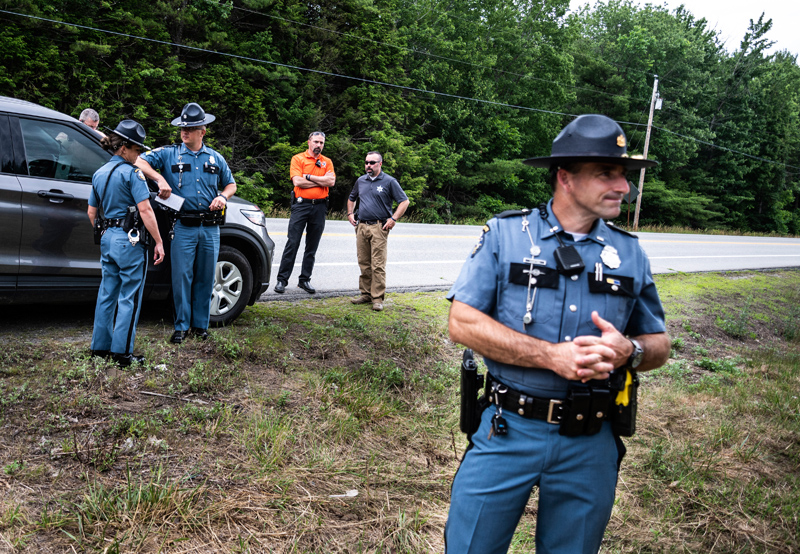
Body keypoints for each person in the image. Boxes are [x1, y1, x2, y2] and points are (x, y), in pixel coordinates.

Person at [444, 114, 671, 554]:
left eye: (624, 175)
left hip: (590, 441)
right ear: (565, 177)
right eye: (608, 173)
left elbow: (659, 344)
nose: (623, 187)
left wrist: (631, 350)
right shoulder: (506, 236)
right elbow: (462, 322)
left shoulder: (630, 252)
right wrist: (551, 356)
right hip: (507, 429)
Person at [136, 103, 236, 344]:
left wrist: (223, 196)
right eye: (182, 128)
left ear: (202, 131)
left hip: (210, 227)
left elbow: (231, 184)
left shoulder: (215, 157)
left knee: (205, 277)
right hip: (182, 226)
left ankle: (201, 326)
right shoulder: (168, 154)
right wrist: (159, 178)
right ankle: (181, 326)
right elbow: (138, 160)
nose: (184, 132)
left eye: (190, 128)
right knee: (181, 277)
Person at [87, 120, 166, 367]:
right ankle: (122, 353)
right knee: (129, 296)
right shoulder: (132, 174)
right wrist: (158, 241)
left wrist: (107, 232)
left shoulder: (99, 173)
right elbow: (145, 210)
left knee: (107, 293)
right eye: (137, 150)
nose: (138, 155)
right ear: (123, 148)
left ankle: (99, 348)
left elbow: (91, 213)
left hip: (107, 239)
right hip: (129, 241)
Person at [273, 132, 336, 294]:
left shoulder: (326, 162)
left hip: (320, 207)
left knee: (312, 246)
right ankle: (282, 280)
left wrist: (308, 177)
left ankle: (304, 280)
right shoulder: (298, 159)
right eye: (316, 142)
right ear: (309, 142)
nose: (319, 145)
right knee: (292, 243)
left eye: (321, 142)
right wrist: (320, 181)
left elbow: (331, 181)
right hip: (301, 206)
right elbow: (297, 181)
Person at [346, 151, 409, 311]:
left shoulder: (389, 181)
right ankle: (366, 294)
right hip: (361, 226)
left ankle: (377, 299)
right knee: (364, 263)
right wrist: (350, 213)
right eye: (367, 162)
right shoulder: (361, 181)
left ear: (380, 164)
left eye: (372, 162)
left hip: (379, 227)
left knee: (378, 265)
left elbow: (404, 201)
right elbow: (351, 198)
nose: (368, 165)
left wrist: (393, 219)